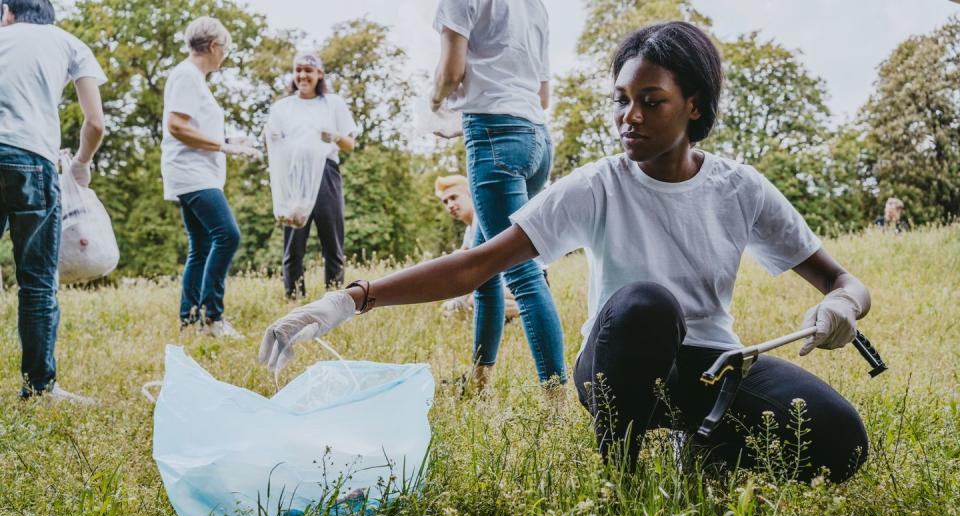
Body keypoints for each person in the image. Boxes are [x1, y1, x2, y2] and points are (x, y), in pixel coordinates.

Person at [261, 22, 873, 483]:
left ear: (695, 106)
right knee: (645, 306)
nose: (627, 117)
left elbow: (845, 281)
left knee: (843, 442)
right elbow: (478, 264)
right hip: (617, 363)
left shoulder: (739, 188)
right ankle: (624, 469)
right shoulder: (598, 184)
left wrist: (843, 304)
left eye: (650, 100)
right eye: (620, 99)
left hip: (711, 367)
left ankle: (704, 447)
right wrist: (351, 299)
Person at [428, 0, 565, 390]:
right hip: (536, 139)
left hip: (493, 135)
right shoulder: (534, 7)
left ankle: (555, 405)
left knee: (520, 271)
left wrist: (435, 102)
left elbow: (451, 73)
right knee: (484, 267)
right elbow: (542, 96)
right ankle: (479, 382)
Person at [0, 0, 106, 403]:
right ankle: (39, 387)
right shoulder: (69, 44)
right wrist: (80, 164)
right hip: (33, 160)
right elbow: (95, 123)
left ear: (8, 11)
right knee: (38, 282)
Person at [161, 16, 261, 338]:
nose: (226, 54)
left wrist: (232, 142)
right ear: (215, 46)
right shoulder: (187, 75)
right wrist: (223, 147)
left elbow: (195, 127)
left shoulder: (193, 78)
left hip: (196, 173)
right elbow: (176, 126)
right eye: (226, 48)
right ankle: (212, 318)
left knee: (201, 246)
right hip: (193, 176)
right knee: (227, 235)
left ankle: (189, 320)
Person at [265, 50, 358, 298]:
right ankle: (294, 298)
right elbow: (272, 145)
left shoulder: (333, 103)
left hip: (326, 173)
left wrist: (336, 137)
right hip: (295, 177)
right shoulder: (282, 108)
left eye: (308, 70)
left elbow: (351, 143)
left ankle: (335, 299)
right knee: (294, 243)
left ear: (319, 73)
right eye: (298, 70)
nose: (302, 75)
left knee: (332, 240)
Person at [435, 175, 519, 321]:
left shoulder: (485, 220)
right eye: (445, 202)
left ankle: (527, 310)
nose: (450, 205)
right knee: (449, 306)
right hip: (498, 282)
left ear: (470, 195)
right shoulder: (469, 230)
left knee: (476, 299)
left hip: (520, 280)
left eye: (454, 197)